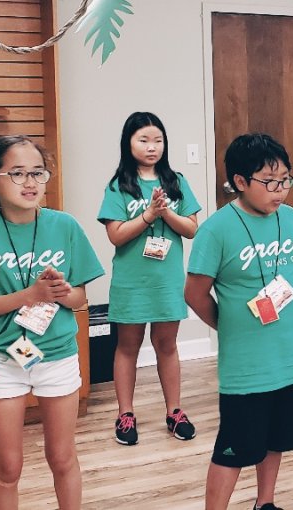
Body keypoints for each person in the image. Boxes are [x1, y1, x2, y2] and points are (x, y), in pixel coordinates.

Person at [0, 135, 105, 510]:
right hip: (4, 359)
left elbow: (80, 299)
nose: (30, 182)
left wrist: (62, 292)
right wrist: (30, 295)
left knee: (62, 457)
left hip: (58, 356)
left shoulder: (64, 225)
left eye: (37, 173)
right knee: (7, 467)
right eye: (17, 173)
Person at [185, 134, 293, 510]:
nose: (280, 190)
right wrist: (229, 326)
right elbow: (194, 293)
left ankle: (265, 502)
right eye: (269, 182)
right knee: (233, 449)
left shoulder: (291, 218)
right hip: (247, 366)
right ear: (240, 181)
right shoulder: (216, 229)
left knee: (277, 439)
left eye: (285, 180)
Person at [98, 112, 201, 445]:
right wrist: (148, 215)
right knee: (127, 347)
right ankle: (125, 414)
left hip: (167, 279)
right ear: (128, 143)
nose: (152, 146)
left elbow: (191, 229)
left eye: (158, 140)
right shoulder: (118, 185)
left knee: (167, 346)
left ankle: (174, 412)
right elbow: (116, 235)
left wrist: (165, 211)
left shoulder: (176, 182)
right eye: (143, 140)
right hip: (131, 282)